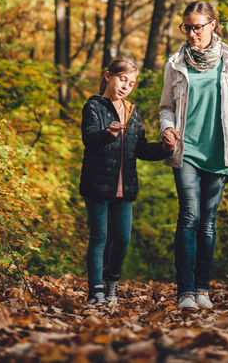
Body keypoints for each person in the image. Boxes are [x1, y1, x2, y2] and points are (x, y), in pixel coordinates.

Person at [159, 1, 228, 309]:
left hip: (220, 152)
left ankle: (202, 289)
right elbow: (167, 107)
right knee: (189, 216)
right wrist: (166, 130)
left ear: (213, 25)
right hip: (186, 151)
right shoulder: (175, 63)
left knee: (208, 224)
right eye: (187, 27)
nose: (191, 33)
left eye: (197, 26)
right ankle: (185, 291)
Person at [80, 57, 174, 305]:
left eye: (131, 83)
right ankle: (96, 290)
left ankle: (111, 278)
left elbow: (140, 149)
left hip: (125, 186)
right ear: (108, 76)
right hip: (97, 183)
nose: (125, 86)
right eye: (122, 79)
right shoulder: (94, 107)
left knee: (122, 239)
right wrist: (106, 134)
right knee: (99, 236)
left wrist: (164, 149)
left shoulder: (133, 112)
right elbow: (89, 138)